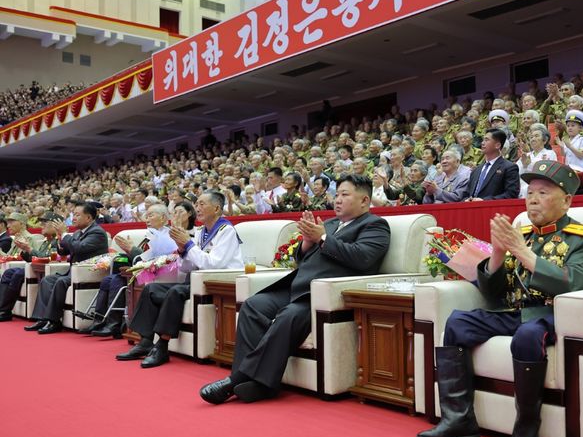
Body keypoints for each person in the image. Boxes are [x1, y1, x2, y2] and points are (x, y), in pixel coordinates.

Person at [417, 160, 583, 437]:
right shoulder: (522, 235)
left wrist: (519, 250)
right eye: (530, 192)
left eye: (543, 192)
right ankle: (459, 420)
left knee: (528, 334)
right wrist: (498, 253)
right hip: (512, 311)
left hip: (549, 315)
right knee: (457, 322)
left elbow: (574, 283)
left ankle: (525, 433)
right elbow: (493, 294)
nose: (533, 199)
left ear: (566, 201)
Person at [199, 174, 391, 405]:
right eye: (337, 194)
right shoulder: (329, 224)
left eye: (345, 195)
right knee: (253, 306)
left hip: (322, 295)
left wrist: (321, 237)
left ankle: (237, 378)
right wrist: (307, 244)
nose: (337, 200)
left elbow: (363, 258)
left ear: (364, 200)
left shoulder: (375, 225)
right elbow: (304, 259)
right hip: (297, 285)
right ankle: (259, 384)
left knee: (288, 316)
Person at [115, 192, 243, 368]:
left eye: (202, 204)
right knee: (151, 289)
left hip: (216, 283)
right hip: (195, 280)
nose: (197, 207)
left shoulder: (226, 230)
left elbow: (214, 264)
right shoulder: (201, 232)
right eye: (196, 204)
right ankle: (145, 341)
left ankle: (162, 346)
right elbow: (186, 267)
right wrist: (183, 250)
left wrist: (188, 245)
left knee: (175, 292)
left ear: (216, 208)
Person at [80, 204, 178, 338]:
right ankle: (99, 319)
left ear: (163, 218)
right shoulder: (149, 235)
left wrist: (132, 250)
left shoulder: (167, 236)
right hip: (140, 269)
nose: (147, 219)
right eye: (146, 216)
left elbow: (155, 259)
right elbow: (141, 257)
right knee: (107, 280)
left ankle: (113, 323)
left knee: (115, 280)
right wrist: (129, 253)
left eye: (151, 215)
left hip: (156, 274)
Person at [25, 202, 109, 334]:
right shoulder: (77, 233)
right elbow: (63, 252)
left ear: (88, 218)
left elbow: (79, 248)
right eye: (73, 214)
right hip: (73, 272)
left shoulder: (97, 232)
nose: (73, 218)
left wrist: (64, 234)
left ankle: (54, 321)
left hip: (88, 273)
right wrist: (60, 238)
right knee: (48, 280)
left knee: (60, 281)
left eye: (77, 215)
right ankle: (42, 318)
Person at [0, 212, 52, 322]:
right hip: (17, 266)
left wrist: (26, 249)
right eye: (8, 222)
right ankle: (3, 309)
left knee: (15, 273)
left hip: (30, 268)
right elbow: (8, 257)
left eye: (12, 222)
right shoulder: (15, 240)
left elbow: (34, 256)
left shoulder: (31, 238)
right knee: (8, 272)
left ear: (22, 224)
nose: (8, 225)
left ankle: (4, 310)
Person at [464, 129, 520, 201]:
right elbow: (466, 194)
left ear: (497, 145)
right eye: (483, 140)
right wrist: (466, 200)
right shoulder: (476, 170)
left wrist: (484, 201)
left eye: (486, 140)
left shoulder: (509, 167)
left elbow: (511, 194)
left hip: (494, 210)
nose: (482, 143)